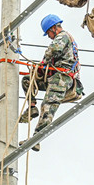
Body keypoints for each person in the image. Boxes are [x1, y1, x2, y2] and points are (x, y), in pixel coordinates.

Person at [20, 15, 82, 152]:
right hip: (54, 76)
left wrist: (43, 64)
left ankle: (36, 139)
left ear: (54, 28)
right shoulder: (63, 38)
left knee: (48, 106)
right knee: (27, 80)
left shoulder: (63, 36)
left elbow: (53, 50)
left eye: (48, 33)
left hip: (62, 78)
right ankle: (32, 107)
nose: (49, 36)